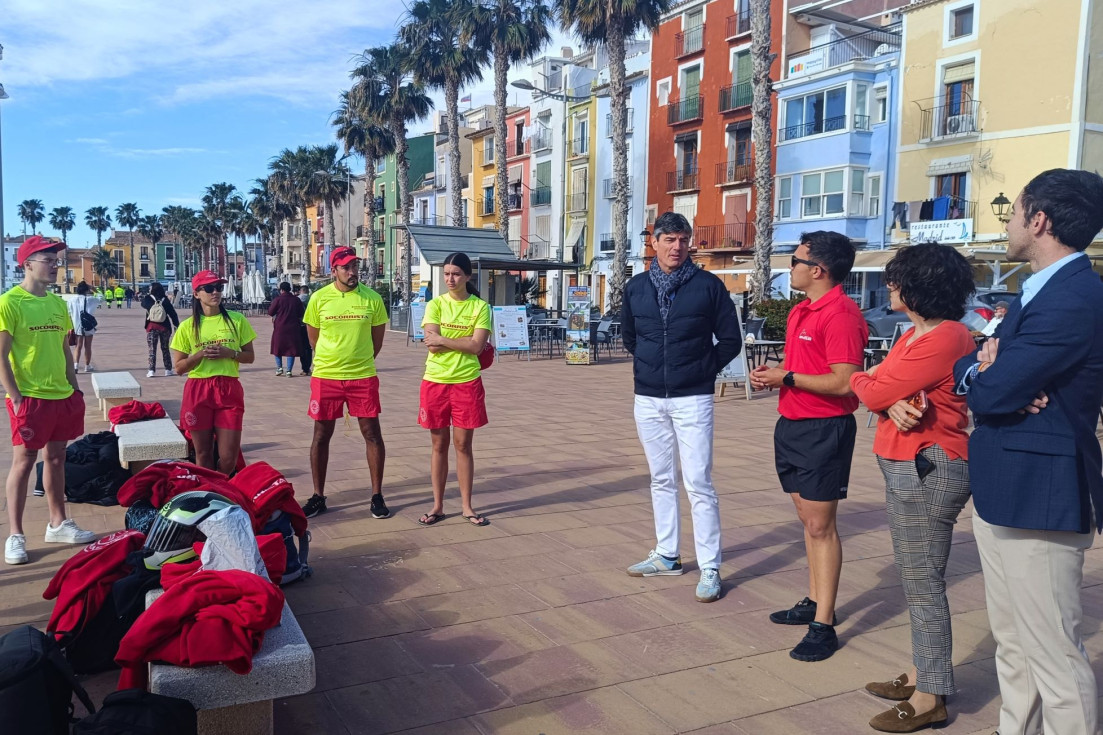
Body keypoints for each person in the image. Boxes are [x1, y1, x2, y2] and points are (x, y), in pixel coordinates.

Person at [952, 169, 1103, 735]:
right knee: (1014, 642)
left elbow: (994, 387)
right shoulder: (1034, 291)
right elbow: (971, 365)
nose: (1009, 220)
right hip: (1004, 486)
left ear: (1038, 220)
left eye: (1013, 209)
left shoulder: (1074, 297)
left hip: (1042, 496)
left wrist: (990, 374)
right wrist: (986, 369)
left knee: (1054, 654)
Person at [849, 243, 977, 732]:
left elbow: (871, 384)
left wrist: (876, 393)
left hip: (928, 466)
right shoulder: (915, 334)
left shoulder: (944, 337)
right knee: (917, 578)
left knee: (922, 584)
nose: (890, 286)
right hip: (911, 464)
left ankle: (931, 696)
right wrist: (885, 403)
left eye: (897, 279)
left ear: (919, 285)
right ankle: (927, 671)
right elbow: (882, 390)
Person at [749, 231, 867, 662]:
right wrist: (780, 374)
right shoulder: (802, 310)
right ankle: (816, 600)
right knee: (807, 520)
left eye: (795, 260)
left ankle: (825, 622)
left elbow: (844, 380)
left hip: (824, 430)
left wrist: (788, 378)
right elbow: (806, 368)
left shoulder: (840, 314)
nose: (789, 266)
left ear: (817, 270)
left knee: (821, 526)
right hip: (794, 426)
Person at [621, 212, 742, 603]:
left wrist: (699, 370)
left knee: (699, 482)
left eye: (684, 239)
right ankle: (667, 554)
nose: (677, 246)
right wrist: (650, 367)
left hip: (693, 397)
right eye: (670, 239)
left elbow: (730, 340)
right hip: (649, 396)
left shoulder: (708, 286)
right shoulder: (636, 288)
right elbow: (630, 337)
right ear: (653, 242)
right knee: (660, 478)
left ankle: (710, 565)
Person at [2, 236, 96, 565]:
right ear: (26, 264)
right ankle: (15, 534)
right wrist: (15, 397)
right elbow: (1, 356)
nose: (55, 265)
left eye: (56, 260)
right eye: (48, 260)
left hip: (62, 395)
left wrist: (75, 390)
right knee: (24, 461)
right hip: (30, 398)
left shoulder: (58, 304)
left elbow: (65, 353)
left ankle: (58, 523)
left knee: (56, 459)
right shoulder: (10, 302)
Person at [300, 248, 389, 519]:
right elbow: (314, 340)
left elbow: (377, 342)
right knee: (321, 435)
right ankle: (318, 495)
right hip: (326, 376)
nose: (352, 272)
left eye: (354, 266)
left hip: (362, 376)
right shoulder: (319, 299)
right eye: (345, 267)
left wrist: (357, 361)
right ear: (334, 270)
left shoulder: (372, 299)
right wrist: (334, 361)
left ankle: (376, 495)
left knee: (371, 433)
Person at [416, 252, 493, 528]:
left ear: (467, 276)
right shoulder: (434, 305)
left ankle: (467, 506)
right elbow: (432, 345)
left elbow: (476, 347)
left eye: (456, 274)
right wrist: (459, 340)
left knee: (463, 445)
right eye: (447, 273)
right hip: (435, 381)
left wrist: (444, 338)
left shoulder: (481, 308)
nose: (450, 279)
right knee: (439, 445)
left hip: (466, 382)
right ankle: (437, 505)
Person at [169, 271, 257, 475]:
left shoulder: (237, 320)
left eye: (219, 287)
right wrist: (198, 355)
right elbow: (179, 368)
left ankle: (223, 488)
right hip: (198, 389)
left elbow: (249, 356)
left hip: (228, 388)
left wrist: (230, 353)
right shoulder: (187, 327)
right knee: (203, 454)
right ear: (197, 294)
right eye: (209, 288)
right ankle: (209, 496)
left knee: (228, 458)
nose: (215, 292)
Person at [141, 282, 180, 377]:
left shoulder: (148, 299)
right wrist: (176, 326)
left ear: (153, 289)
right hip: (165, 327)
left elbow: (143, 304)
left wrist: (149, 297)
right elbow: (173, 314)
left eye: (150, 287)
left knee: (152, 349)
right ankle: (168, 369)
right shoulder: (165, 300)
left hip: (152, 327)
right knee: (165, 348)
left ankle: (151, 370)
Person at [268, 282, 304, 377]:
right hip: (293, 327)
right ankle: (289, 371)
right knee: (291, 349)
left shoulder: (278, 300)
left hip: (280, 327)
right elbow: (301, 313)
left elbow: (271, 312)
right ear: (290, 289)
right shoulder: (296, 300)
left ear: (281, 290)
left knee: (277, 347)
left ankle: (279, 368)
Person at [68, 281, 99, 373]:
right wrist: (93, 288)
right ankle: (87, 365)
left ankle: (76, 365)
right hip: (88, 325)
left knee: (78, 346)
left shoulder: (71, 300)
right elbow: (101, 297)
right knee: (88, 346)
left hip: (77, 325)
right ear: (86, 290)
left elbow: (69, 313)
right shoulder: (90, 299)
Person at [297, 285, 312, 375]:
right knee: (309, 347)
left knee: (302, 347)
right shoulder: (312, 298)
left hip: (301, 325)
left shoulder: (297, 299)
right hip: (311, 325)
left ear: (301, 291)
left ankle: (304, 368)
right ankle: (308, 368)